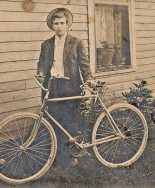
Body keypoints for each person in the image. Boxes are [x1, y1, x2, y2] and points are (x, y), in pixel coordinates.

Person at [36, 8, 94, 166]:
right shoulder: (46, 44)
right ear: (52, 26)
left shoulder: (76, 42)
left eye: (62, 23)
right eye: (56, 23)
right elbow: (41, 63)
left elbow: (84, 65)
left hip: (70, 86)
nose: (59, 26)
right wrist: (40, 73)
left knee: (69, 122)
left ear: (67, 25)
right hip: (52, 86)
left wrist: (88, 81)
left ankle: (70, 156)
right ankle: (55, 156)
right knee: (53, 121)